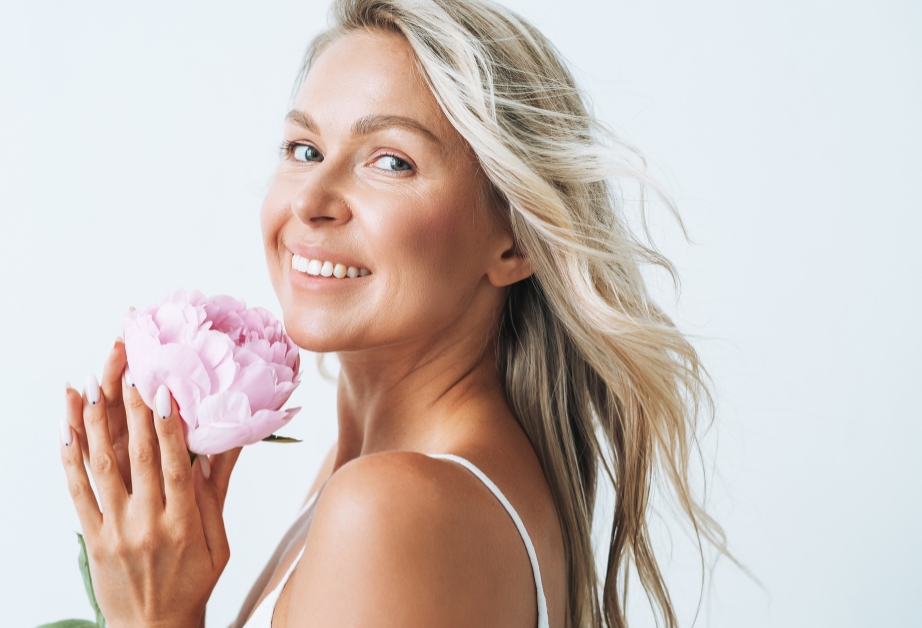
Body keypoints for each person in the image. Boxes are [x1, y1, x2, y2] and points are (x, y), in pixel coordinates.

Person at [57, 1, 725, 626]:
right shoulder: (381, 471)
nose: (312, 198)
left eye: (391, 162)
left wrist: (154, 616)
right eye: (305, 150)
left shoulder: (389, 506)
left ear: (516, 239)